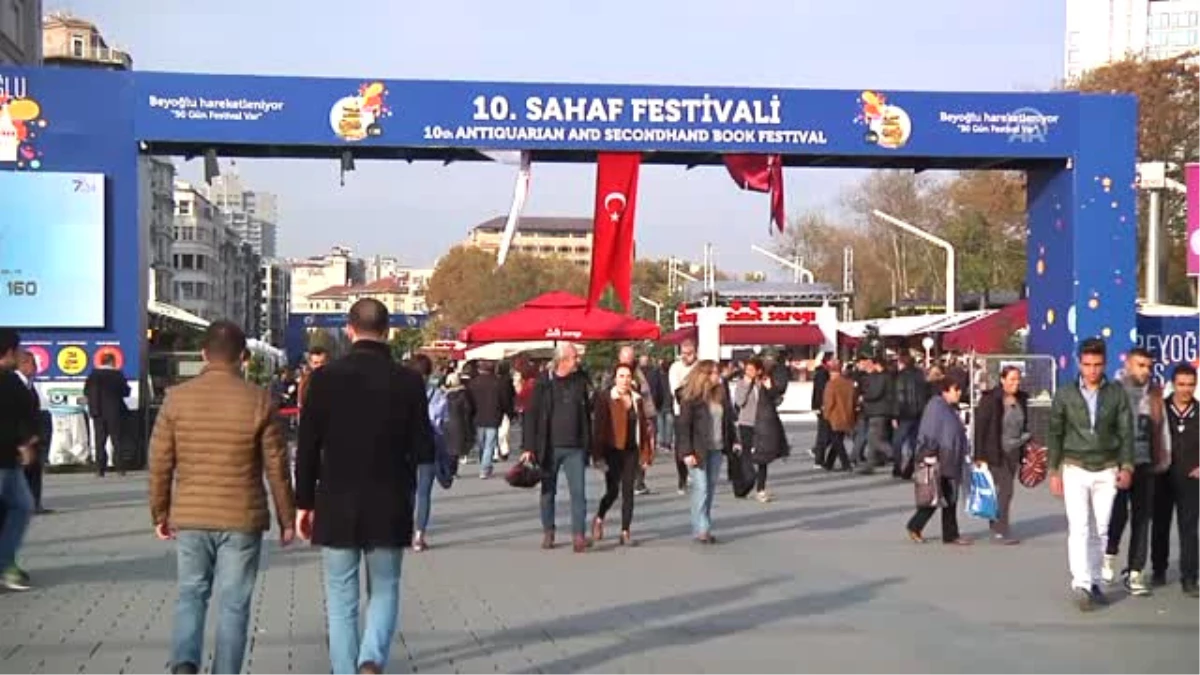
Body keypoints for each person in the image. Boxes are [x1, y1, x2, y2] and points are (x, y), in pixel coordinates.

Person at [148, 321, 296, 675]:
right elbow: (276, 465)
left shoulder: (176, 399)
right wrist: (287, 519)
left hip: (191, 515)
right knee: (234, 603)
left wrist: (160, 512)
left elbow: (159, 462)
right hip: (242, 518)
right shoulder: (260, 400)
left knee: (191, 593)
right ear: (243, 357)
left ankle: (185, 663)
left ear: (203, 353)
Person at [295, 299, 434, 675]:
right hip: (389, 501)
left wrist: (303, 502)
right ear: (387, 332)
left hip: (337, 502)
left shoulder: (324, 379)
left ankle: (345, 670)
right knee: (385, 589)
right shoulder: (408, 382)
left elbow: (307, 448)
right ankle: (371, 658)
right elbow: (424, 448)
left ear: (349, 329)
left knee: (341, 599)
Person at [1047, 338, 1134, 612]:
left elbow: (1126, 432)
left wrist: (1127, 466)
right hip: (1074, 465)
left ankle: (1096, 581)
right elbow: (1055, 432)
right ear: (1079, 364)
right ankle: (1082, 582)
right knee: (1079, 527)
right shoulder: (1065, 394)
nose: (1092, 370)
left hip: (1107, 467)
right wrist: (1053, 469)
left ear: (1105, 364)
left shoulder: (1116, 393)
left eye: (1097, 365)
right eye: (1087, 365)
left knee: (1102, 529)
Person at [1101, 347, 1168, 595]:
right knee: (1118, 514)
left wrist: (1163, 457)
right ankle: (1109, 554)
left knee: (1143, 519)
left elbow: (1163, 429)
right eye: (1140, 365)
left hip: (1146, 463)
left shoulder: (1156, 393)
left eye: (1149, 366)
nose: (1146, 371)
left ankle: (1136, 571)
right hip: (1118, 463)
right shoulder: (1114, 391)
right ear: (1128, 364)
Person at [521, 343, 593, 553]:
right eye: (574, 358)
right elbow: (531, 415)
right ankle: (548, 531)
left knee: (578, 492)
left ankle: (578, 535)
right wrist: (528, 446)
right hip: (549, 446)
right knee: (548, 491)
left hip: (575, 447)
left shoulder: (580, 381)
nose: (577, 361)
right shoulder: (544, 382)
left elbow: (587, 412)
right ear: (563, 360)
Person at [591, 363, 654, 546]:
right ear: (615, 378)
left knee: (629, 492)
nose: (625, 380)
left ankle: (625, 531)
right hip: (613, 449)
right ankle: (599, 518)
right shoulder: (606, 398)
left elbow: (643, 429)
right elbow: (599, 428)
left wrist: (646, 454)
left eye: (627, 376)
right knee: (612, 491)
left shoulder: (637, 399)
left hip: (631, 451)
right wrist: (598, 455)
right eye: (621, 376)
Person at [905, 378, 973, 546]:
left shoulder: (947, 408)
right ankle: (916, 525)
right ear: (945, 390)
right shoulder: (937, 407)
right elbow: (931, 433)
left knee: (948, 497)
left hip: (949, 457)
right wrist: (929, 454)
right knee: (936, 496)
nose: (959, 393)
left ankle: (949, 533)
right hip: (940, 458)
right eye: (955, 390)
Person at [676, 360, 736, 544]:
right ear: (704, 376)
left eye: (718, 372)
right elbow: (684, 427)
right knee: (701, 488)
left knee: (709, 489)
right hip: (698, 449)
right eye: (714, 373)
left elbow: (728, 421)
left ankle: (704, 524)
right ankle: (701, 529)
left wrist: (734, 441)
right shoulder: (691, 399)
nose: (718, 376)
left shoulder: (721, 396)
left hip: (716, 448)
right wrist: (687, 452)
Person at [973, 365, 1031, 544]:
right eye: (1012, 379)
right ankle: (1000, 531)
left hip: (1015, 450)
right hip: (996, 451)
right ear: (1002, 380)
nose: (1015, 383)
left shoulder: (1021, 398)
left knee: (1004, 492)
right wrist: (979, 455)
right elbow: (980, 428)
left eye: (1018, 379)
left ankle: (996, 523)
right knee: (1006, 491)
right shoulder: (991, 399)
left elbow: (1025, 423)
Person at [0, 328, 37, 591]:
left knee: (23, 505)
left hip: (9, 460)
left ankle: (5, 562)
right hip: (5, 458)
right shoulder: (10, 381)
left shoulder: (11, 380)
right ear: (10, 351)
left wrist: (24, 441)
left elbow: (25, 411)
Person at [1160, 363, 1200, 597]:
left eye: (1190, 385)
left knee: (1189, 529)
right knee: (1161, 526)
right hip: (1163, 476)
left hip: (1191, 478)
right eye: (1181, 384)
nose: (1186, 389)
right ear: (1173, 384)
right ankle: (1158, 570)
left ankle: (1189, 577)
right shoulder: (1161, 410)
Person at [409, 354, 448, 552]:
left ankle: (404, 531)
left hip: (405, 447)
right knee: (424, 493)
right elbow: (441, 425)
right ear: (429, 372)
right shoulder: (437, 395)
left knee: (408, 491)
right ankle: (419, 536)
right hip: (428, 445)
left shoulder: (400, 393)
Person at [733, 357, 786, 502]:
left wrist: (770, 388)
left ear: (759, 370)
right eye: (747, 369)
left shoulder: (763, 382)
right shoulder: (742, 383)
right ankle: (745, 483)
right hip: (746, 423)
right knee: (747, 455)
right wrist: (746, 384)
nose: (748, 372)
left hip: (763, 424)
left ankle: (761, 489)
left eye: (751, 370)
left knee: (762, 457)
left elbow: (777, 400)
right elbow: (739, 401)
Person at [83, 352, 130, 476]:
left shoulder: (93, 375)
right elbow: (126, 392)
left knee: (99, 441)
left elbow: (87, 392)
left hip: (98, 412)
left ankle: (100, 469)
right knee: (117, 440)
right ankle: (120, 468)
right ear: (112, 361)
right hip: (115, 412)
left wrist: (93, 409)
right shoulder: (117, 375)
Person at [15, 350, 51, 514]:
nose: (35, 367)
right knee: (21, 473)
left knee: (35, 471)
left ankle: (35, 503)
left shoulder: (30, 384)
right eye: (32, 363)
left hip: (34, 435)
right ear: (22, 364)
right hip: (22, 439)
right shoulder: (15, 384)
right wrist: (25, 437)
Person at [668, 339, 699, 494]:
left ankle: (696, 474)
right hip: (680, 412)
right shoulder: (675, 367)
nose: (686, 357)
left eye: (690, 353)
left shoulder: (699, 367)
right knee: (681, 445)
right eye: (684, 353)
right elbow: (677, 391)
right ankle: (682, 478)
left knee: (698, 443)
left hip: (699, 413)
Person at [891, 353, 926, 479]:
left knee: (897, 442)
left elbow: (899, 397)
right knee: (914, 443)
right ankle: (909, 468)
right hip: (919, 413)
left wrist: (895, 415)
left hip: (905, 414)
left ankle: (897, 467)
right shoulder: (920, 375)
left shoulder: (901, 377)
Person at [820, 360, 856, 472]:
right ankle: (828, 463)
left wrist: (825, 415)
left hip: (834, 416)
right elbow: (854, 400)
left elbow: (829, 402)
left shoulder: (831, 384)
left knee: (837, 441)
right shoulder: (849, 383)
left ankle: (846, 463)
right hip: (847, 415)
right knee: (838, 439)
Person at [810, 353, 832, 464]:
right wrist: (819, 406)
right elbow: (820, 391)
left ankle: (818, 454)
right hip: (823, 406)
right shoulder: (823, 374)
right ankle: (819, 458)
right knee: (824, 433)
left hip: (823, 405)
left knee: (828, 433)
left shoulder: (822, 373)